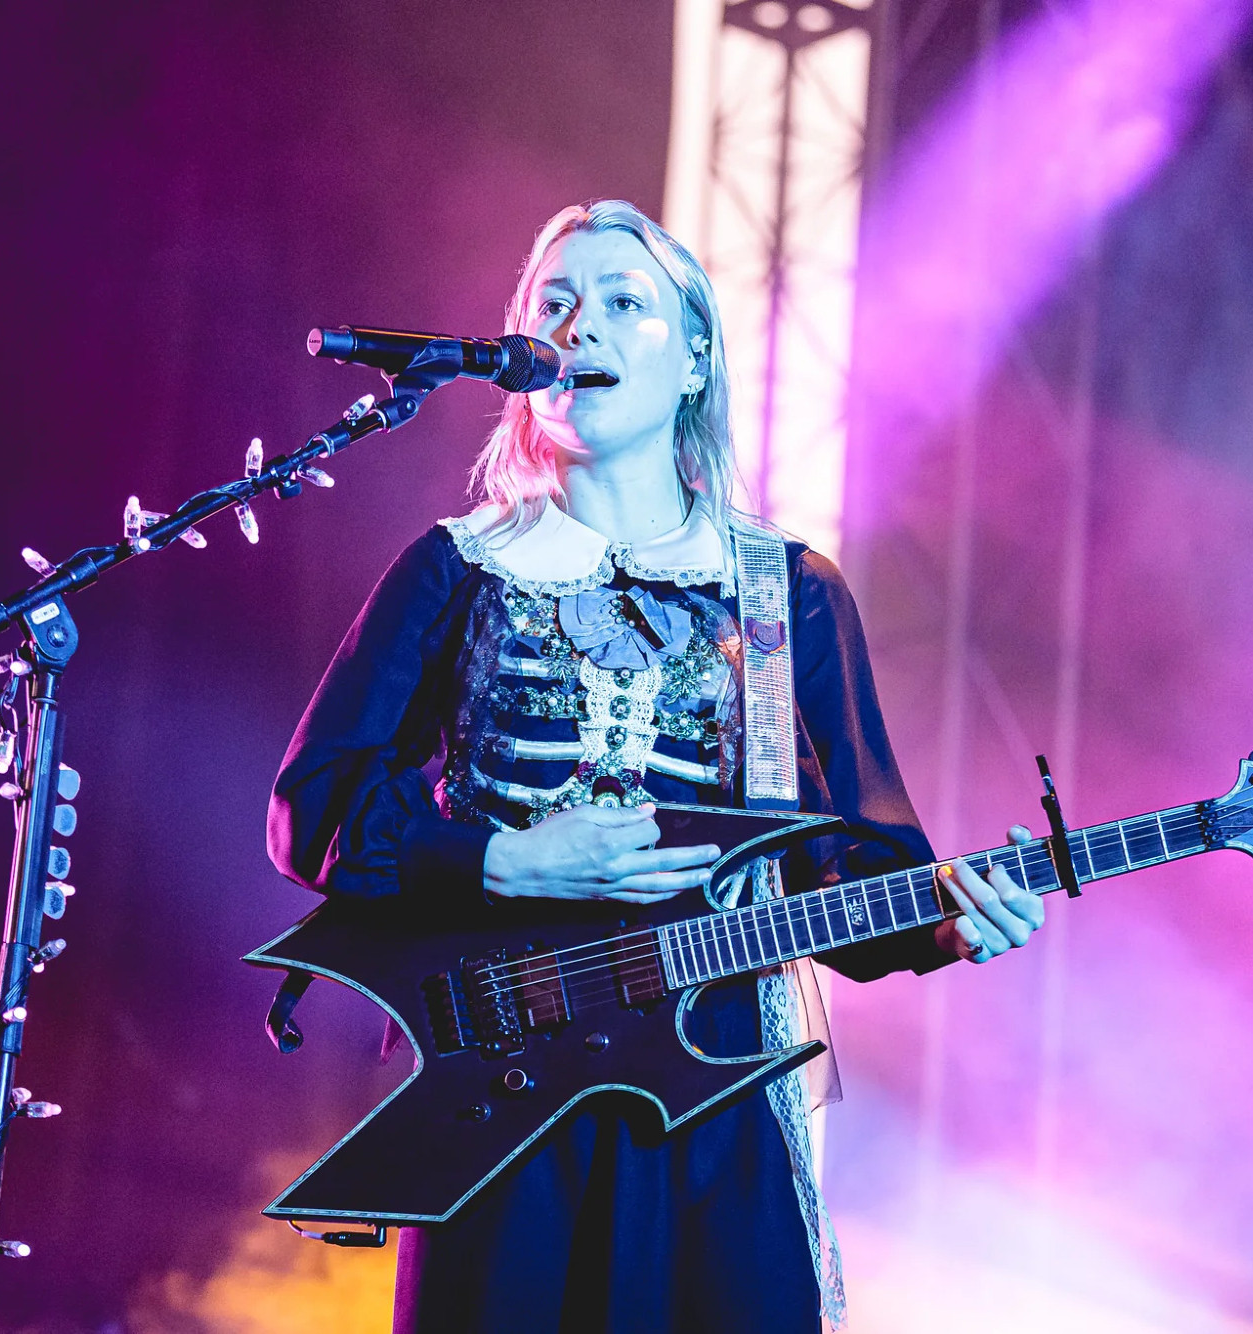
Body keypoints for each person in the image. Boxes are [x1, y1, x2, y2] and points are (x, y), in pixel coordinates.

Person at [268, 199, 1045, 1333]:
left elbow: (855, 864)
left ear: (692, 360)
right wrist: (504, 859)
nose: (579, 327)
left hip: (713, 1088)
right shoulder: (456, 569)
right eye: (555, 304)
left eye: (624, 303)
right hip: (499, 1091)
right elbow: (311, 806)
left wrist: (944, 920)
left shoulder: (786, 593)